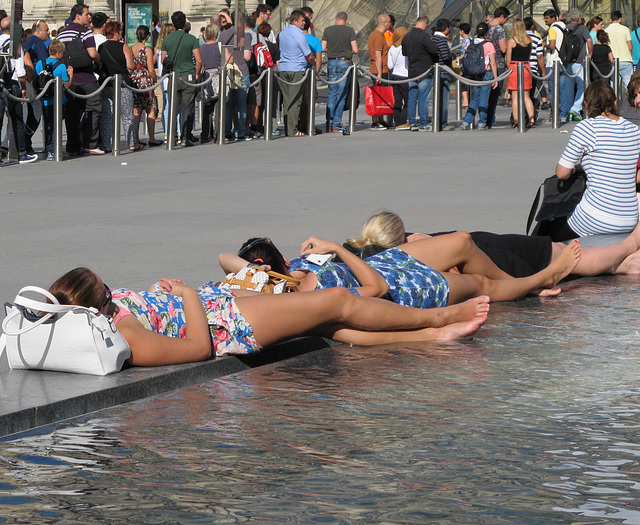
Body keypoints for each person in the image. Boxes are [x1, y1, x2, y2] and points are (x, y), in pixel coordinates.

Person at [49, 267, 494, 368]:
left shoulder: (110, 314)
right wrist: (185, 295)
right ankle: (438, 314)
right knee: (336, 300)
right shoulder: (123, 330)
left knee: (327, 325)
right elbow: (197, 349)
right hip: (227, 322)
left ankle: (433, 336)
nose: (114, 297)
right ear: (98, 306)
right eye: (108, 294)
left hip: (219, 305)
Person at [223, 234, 582, 309]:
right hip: (400, 287)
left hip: (384, 262)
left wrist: (270, 273)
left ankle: (526, 286)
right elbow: (376, 289)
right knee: (479, 284)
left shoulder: (291, 273)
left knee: (462, 242)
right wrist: (335, 248)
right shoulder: (306, 297)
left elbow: (226, 257)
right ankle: (539, 280)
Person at [344, 211, 640, 279]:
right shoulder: (416, 246)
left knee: (563, 255)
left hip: (489, 248)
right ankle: (627, 248)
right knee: (566, 256)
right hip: (496, 254)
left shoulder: (380, 255)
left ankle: (623, 263)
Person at [549, 81, 640, 241]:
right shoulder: (634, 130)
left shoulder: (587, 127)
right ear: (615, 102)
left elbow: (562, 173)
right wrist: (582, 167)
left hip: (595, 217)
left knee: (549, 236)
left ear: (586, 105)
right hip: (630, 217)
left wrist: (573, 168)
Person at [57, 4, 103, 156]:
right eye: (87, 14)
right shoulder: (85, 32)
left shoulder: (61, 33)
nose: (90, 17)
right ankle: (90, 143)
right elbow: (92, 53)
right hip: (86, 77)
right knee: (94, 107)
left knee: (72, 113)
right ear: (78, 16)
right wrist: (99, 61)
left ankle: (73, 146)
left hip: (69, 78)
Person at [160, 10, 201, 147]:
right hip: (188, 75)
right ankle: (185, 137)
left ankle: (171, 137)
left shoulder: (167, 39)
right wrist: (197, 74)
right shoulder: (191, 39)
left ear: (172, 24)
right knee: (187, 108)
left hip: (174, 76)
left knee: (173, 108)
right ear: (185, 23)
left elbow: (162, 60)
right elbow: (199, 60)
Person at [98, 20, 137, 152]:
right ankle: (131, 142)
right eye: (120, 31)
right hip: (122, 83)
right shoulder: (123, 46)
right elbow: (130, 66)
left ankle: (107, 143)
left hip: (107, 83)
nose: (121, 34)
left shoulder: (101, 47)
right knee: (127, 115)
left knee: (107, 115)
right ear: (115, 32)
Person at [278, 10, 315, 137]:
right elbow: (308, 55)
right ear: (295, 21)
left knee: (287, 100)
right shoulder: (299, 35)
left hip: (283, 68)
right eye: (302, 20)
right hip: (296, 69)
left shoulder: (282, 33)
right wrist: (314, 62)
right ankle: (292, 130)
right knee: (295, 101)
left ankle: (288, 127)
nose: (304, 23)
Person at [35, 39, 73, 161]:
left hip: (44, 100)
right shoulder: (61, 66)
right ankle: (53, 150)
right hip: (58, 100)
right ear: (58, 53)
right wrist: (71, 75)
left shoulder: (40, 63)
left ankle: (47, 147)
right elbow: (66, 85)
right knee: (56, 125)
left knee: (47, 124)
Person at [321, 11, 358, 133]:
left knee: (332, 93)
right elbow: (355, 50)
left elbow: (323, 48)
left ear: (336, 19)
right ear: (346, 20)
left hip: (331, 62)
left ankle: (329, 123)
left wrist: (332, 51)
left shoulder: (328, 30)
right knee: (341, 95)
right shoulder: (350, 31)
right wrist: (346, 51)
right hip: (344, 62)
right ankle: (336, 123)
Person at [402, 15, 438, 132]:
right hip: (424, 70)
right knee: (423, 97)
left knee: (412, 97)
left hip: (412, 70)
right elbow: (434, 50)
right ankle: (423, 122)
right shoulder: (424, 36)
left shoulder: (407, 36)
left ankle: (412, 122)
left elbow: (404, 53)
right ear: (425, 23)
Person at [460, 22, 498, 130]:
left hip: (474, 74)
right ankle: (482, 122)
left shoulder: (470, 43)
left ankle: (466, 122)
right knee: (484, 98)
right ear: (487, 32)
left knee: (474, 98)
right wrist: (496, 77)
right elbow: (493, 62)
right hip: (486, 72)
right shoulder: (488, 44)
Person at [130, 25, 161, 147]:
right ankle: (152, 137)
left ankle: (136, 137)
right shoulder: (147, 50)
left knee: (136, 110)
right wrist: (153, 79)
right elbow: (151, 69)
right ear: (147, 36)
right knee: (150, 109)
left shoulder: (131, 48)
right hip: (145, 80)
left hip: (134, 80)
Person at [559, 9, 592, 123]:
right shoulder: (582, 28)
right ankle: (576, 108)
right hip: (579, 61)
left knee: (569, 87)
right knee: (582, 86)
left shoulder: (566, 28)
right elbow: (589, 40)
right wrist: (590, 54)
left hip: (567, 61)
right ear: (578, 18)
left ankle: (567, 111)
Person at [505, 19, 535, 128]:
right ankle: (531, 119)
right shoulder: (529, 40)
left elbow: (508, 59)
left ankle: (516, 120)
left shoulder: (512, 41)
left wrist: (509, 67)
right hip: (526, 67)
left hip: (515, 67)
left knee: (515, 96)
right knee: (526, 96)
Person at [486, 6, 510, 128]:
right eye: (506, 19)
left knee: (485, 93)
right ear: (502, 16)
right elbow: (503, 48)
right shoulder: (500, 30)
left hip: (485, 64)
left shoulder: (486, 26)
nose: (506, 21)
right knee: (494, 94)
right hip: (498, 63)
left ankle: (484, 119)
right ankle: (491, 119)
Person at [368, 14, 392, 130]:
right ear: (384, 23)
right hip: (379, 70)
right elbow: (378, 55)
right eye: (389, 22)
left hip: (379, 70)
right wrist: (379, 74)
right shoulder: (378, 36)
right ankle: (375, 121)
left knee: (381, 96)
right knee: (377, 95)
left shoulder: (375, 34)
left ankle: (381, 119)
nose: (390, 24)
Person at [431, 18, 455, 131]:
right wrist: (454, 56)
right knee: (444, 99)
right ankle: (443, 122)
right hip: (444, 71)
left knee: (438, 98)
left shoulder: (433, 38)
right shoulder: (441, 39)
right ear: (446, 29)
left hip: (436, 71)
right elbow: (446, 56)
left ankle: (437, 120)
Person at [199, 23, 220, 144]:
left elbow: (200, 64)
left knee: (207, 108)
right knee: (218, 107)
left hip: (206, 77)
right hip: (217, 76)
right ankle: (218, 134)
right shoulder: (219, 46)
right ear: (216, 34)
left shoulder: (201, 48)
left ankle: (206, 135)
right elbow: (230, 59)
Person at [155, 23, 176, 142]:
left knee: (166, 106)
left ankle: (167, 132)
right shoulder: (169, 47)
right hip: (170, 78)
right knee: (174, 107)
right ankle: (175, 131)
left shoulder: (158, 48)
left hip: (163, 79)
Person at [605, 11, 633, 91]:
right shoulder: (625, 29)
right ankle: (632, 102)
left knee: (614, 86)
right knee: (629, 85)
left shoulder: (606, 30)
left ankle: (615, 102)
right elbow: (630, 46)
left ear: (611, 19)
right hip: (625, 59)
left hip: (612, 60)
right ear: (620, 19)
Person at [387, 26, 409, 130]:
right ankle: (403, 120)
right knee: (409, 100)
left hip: (394, 75)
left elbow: (390, 65)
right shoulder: (406, 47)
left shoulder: (392, 48)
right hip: (405, 75)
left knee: (397, 99)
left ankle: (397, 121)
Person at [457, 22, 472, 108]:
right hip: (469, 64)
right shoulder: (471, 39)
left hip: (465, 64)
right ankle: (467, 101)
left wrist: (459, 58)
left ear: (462, 31)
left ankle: (466, 101)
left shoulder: (467, 41)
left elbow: (465, 52)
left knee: (463, 83)